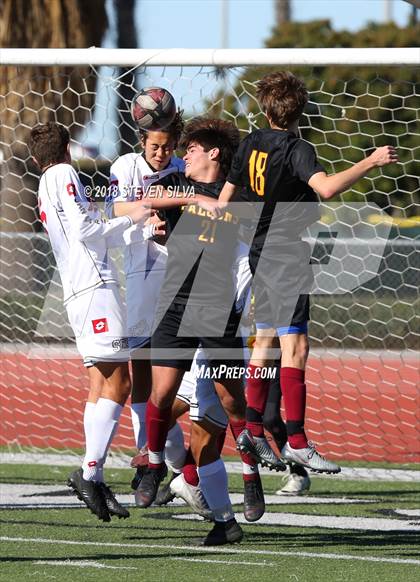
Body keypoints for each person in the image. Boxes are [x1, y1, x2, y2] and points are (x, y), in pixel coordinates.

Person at [212, 71, 398, 473]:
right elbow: (327, 188)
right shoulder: (297, 148)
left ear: (266, 107)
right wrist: (371, 160)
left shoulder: (249, 143)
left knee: (264, 342)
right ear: (301, 109)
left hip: (260, 251)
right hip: (286, 253)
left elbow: (226, 203)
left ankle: (254, 431)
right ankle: (295, 440)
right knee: (295, 348)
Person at [136, 118, 278, 545]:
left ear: (213, 153)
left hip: (218, 311)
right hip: (175, 306)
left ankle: (248, 477)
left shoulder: (237, 193)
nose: (186, 154)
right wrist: (193, 200)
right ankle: (155, 464)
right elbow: (149, 196)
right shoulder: (178, 183)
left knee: (231, 406)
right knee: (160, 394)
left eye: (193, 148)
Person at [29, 122, 153, 522]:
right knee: (121, 383)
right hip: (94, 289)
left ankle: (93, 477)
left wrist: (139, 228)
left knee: (100, 384)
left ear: (36, 157)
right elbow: (87, 230)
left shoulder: (45, 182)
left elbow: (93, 233)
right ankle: (88, 474)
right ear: (67, 149)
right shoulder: (64, 174)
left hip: (81, 290)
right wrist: (134, 215)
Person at [106, 111, 185, 489]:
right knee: (141, 363)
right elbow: (110, 208)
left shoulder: (185, 167)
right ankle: (146, 457)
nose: (161, 152)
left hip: (182, 275)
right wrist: (146, 216)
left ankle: (174, 460)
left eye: (167, 146)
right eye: (154, 146)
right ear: (142, 143)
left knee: (176, 368)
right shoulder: (125, 167)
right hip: (141, 272)